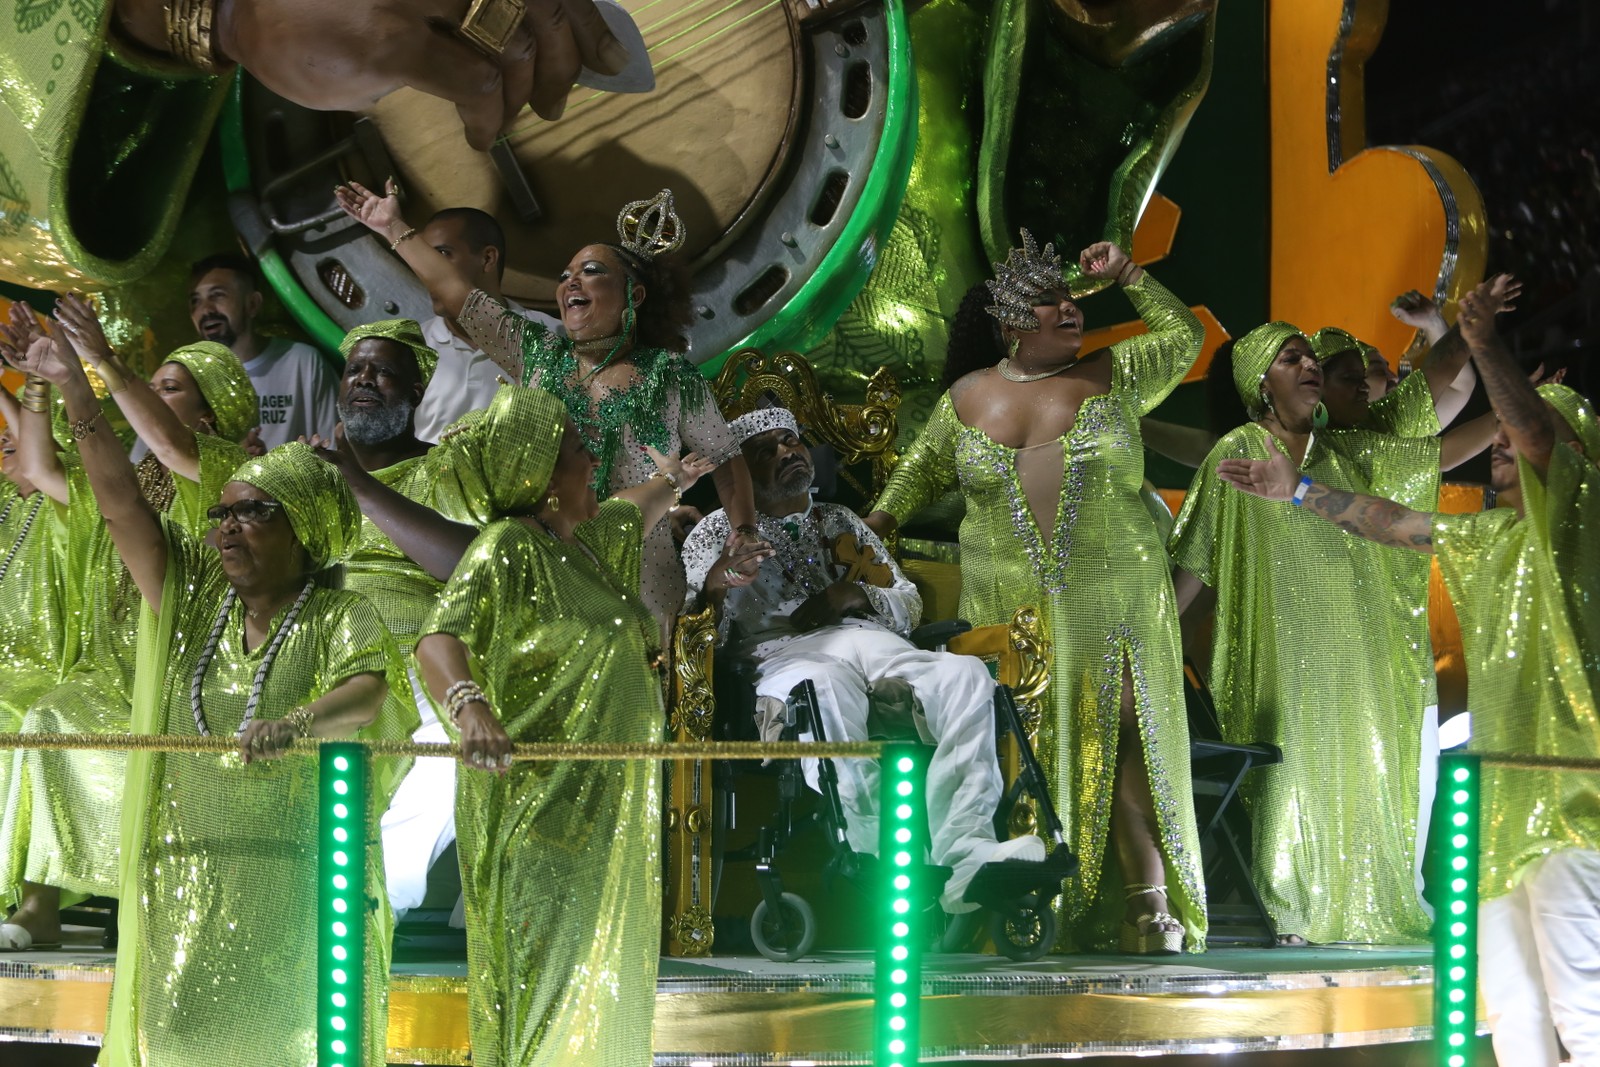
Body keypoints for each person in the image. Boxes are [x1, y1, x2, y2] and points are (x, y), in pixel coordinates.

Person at [1212, 290, 1599, 1065]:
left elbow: (1528, 428)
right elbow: (1392, 522)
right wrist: (1295, 490)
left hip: (1574, 810)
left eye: (1531, 437)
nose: (1503, 448)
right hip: (1500, 824)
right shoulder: (1490, 538)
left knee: (1582, 1010)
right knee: (1515, 1018)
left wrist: (1484, 345)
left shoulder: (1584, 518)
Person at [867, 235, 1208, 954]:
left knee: (1125, 733)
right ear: (1010, 323)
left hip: (1115, 595)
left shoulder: (1115, 372)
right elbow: (911, 481)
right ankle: (1027, 896)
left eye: (1071, 296)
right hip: (1011, 612)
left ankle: (1146, 900)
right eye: (1048, 299)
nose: (1068, 308)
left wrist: (1126, 274)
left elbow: (1186, 335)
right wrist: (859, 539)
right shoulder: (965, 399)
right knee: (1021, 745)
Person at [1165, 301, 1497, 944]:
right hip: (1285, 659)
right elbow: (1202, 562)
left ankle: (1363, 907)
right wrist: (1155, 646)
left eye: (1309, 357)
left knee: (1367, 782)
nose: (1307, 365)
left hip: (1363, 655)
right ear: (1261, 382)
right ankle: (1292, 912)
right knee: (1290, 787)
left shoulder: (1346, 451)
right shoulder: (1238, 451)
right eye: (1291, 359)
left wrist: (1467, 333)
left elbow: (1436, 420)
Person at [403, 386, 707, 1067]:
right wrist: (469, 705)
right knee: (545, 982)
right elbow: (436, 638)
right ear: (539, 477)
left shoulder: (589, 545)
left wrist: (674, 477)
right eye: (575, 447)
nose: (591, 455)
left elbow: (637, 508)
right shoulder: (507, 547)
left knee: (603, 981)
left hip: (610, 814)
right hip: (540, 813)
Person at [335, 180, 758, 638]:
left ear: (633, 296)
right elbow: (456, 292)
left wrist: (745, 530)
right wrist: (393, 226)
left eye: (591, 271)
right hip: (549, 574)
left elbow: (726, 459)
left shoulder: (670, 374)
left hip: (643, 580)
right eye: (564, 276)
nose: (570, 282)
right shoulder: (537, 353)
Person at [684, 407, 1047, 910]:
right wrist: (720, 581)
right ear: (738, 474)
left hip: (871, 641)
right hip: (781, 654)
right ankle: (877, 855)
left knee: (963, 674)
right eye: (765, 452)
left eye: (791, 442)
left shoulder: (839, 520)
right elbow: (695, 629)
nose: (787, 453)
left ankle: (967, 851)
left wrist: (855, 595)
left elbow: (908, 601)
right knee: (826, 684)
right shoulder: (714, 532)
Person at [0, 300, 254, 950]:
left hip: (188, 681)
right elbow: (37, 470)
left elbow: (172, 445)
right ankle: (39, 905)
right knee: (48, 716)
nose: (150, 396)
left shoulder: (233, 478)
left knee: (54, 722)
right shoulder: (139, 476)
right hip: (111, 671)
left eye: (169, 387)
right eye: (154, 382)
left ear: (210, 412)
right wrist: (36, 380)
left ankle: (85, 905)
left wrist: (100, 367)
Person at [310, 318, 484, 919]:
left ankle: (381, 896)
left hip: (422, 643)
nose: (364, 379)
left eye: (384, 372)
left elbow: (463, 561)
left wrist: (358, 485)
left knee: (444, 741)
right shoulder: (308, 469)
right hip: (324, 637)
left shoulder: (444, 469)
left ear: (414, 394)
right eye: (356, 369)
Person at [411, 207, 564, 443]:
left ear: (487, 259)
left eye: (442, 254)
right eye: (424, 260)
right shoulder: (409, 347)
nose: (428, 272)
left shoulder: (551, 335)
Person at [188, 253, 341, 452]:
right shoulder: (184, 377)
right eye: (195, 301)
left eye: (217, 295)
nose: (205, 310)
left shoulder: (302, 362)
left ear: (253, 304)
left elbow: (336, 451)